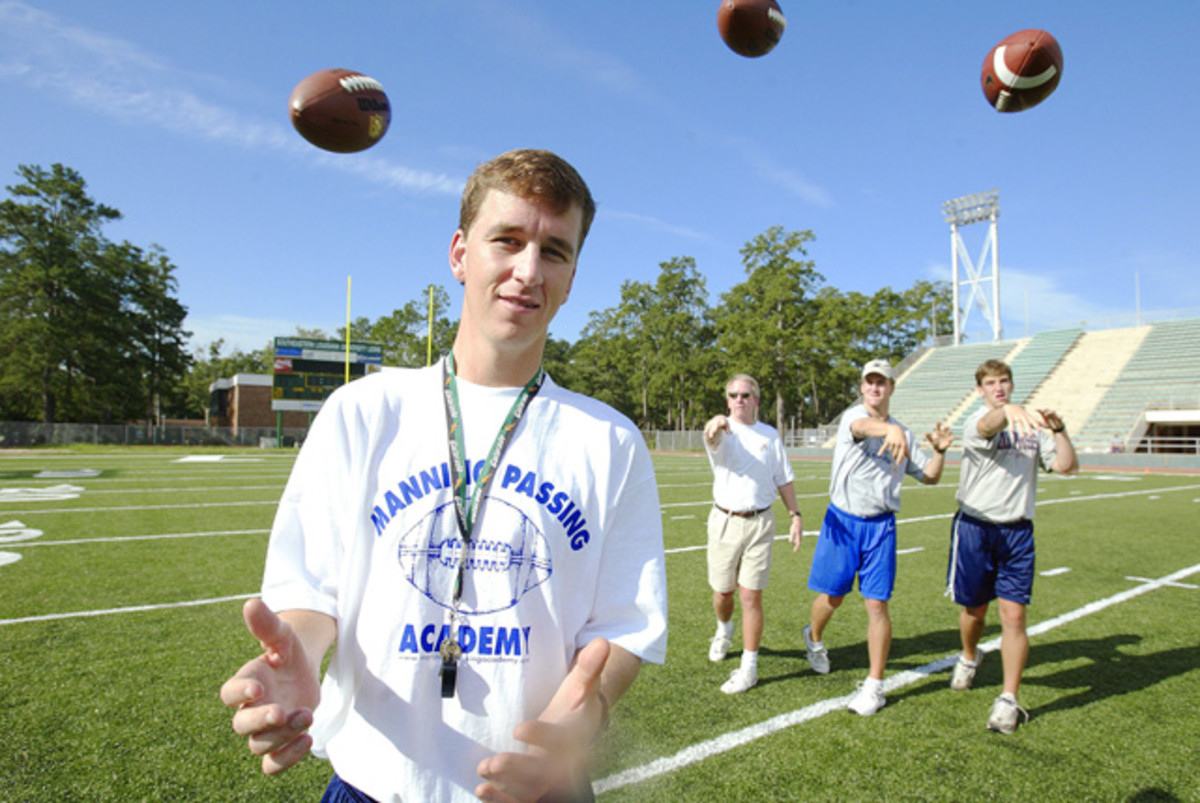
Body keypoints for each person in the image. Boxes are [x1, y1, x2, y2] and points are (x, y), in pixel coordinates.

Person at [220, 149, 668, 802]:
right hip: (376, 780)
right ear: (460, 254)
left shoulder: (609, 440)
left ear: (572, 277)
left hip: (540, 787)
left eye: (554, 251)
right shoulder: (363, 411)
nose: (526, 270)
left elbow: (624, 627)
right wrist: (301, 657)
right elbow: (312, 589)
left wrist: (590, 712)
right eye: (507, 240)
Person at [801, 359, 952, 715]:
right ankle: (815, 638)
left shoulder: (905, 433)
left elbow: (928, 477)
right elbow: (862, 427)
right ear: (862, 387)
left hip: (881, 525)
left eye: (881, 383)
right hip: (842, 521)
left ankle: (874, 685)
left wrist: (941, 453)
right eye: (869, 382)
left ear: (891, 388)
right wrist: (888, 432)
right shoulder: (853, 419)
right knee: (832, 597)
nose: (874, 388)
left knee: (877, 603)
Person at [946, 358, 1077, 734]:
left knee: (1015, 616)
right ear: (981, 390)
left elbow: (1066, 466)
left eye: (1004, 381)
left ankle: (1008, 698)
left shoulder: (1031, 429)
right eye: (991, 383)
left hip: (1017, 531)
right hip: (975, 527)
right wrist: (1008, 411)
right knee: (974, 611)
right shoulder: (977, 420)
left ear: (1012, 384)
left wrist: (1060, 430)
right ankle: (969, 656)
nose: (998, 387)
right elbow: (989, 425)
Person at [702, 373, 804, 695]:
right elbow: (711, 436)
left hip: (761, 523)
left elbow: (782, 478)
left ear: (756, 400)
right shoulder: (722, 432)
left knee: (751, 596)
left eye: (746, 395)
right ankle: (723, 629)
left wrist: (795, 515)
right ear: (727, 400)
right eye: (733, 395)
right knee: (723, 594)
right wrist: (715, 424)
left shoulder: (770, 436)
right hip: (725, 523)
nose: (739, 400)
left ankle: (749, 667)